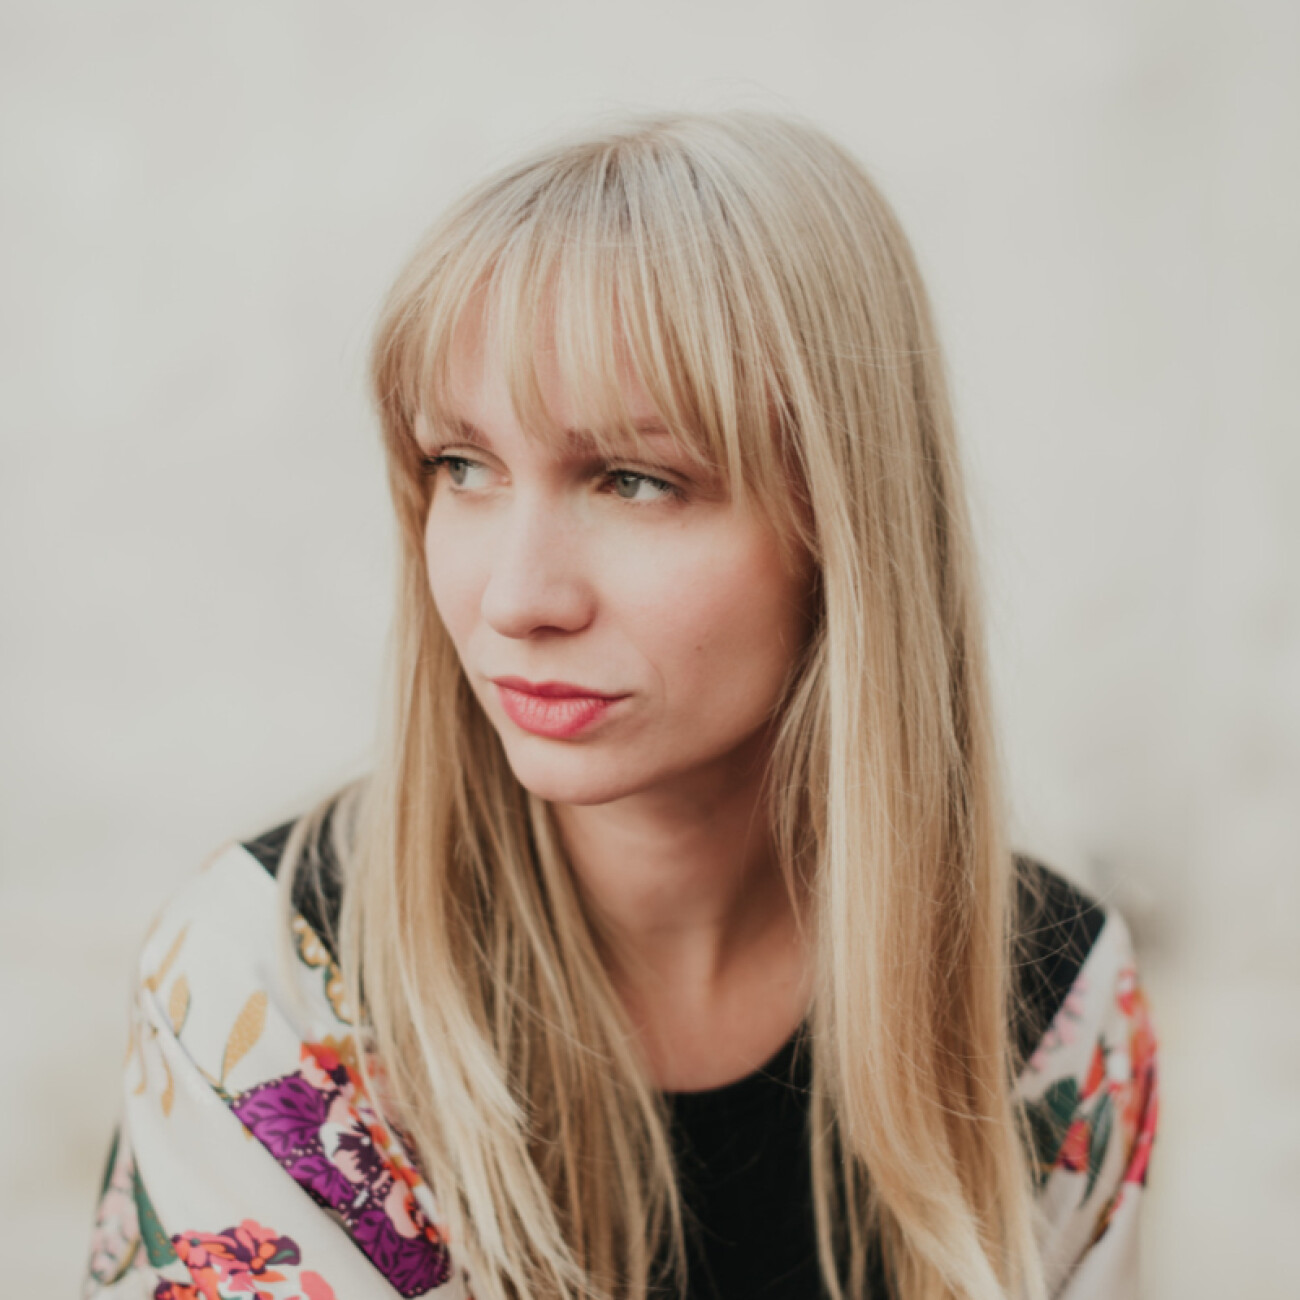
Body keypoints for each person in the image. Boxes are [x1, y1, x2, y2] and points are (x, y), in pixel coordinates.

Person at [82, 112, 1158, 1300]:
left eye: (635, 481)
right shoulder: (271, 986)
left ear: (843, 527)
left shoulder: (1046, 1006)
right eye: (462, 467)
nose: (516, 597)